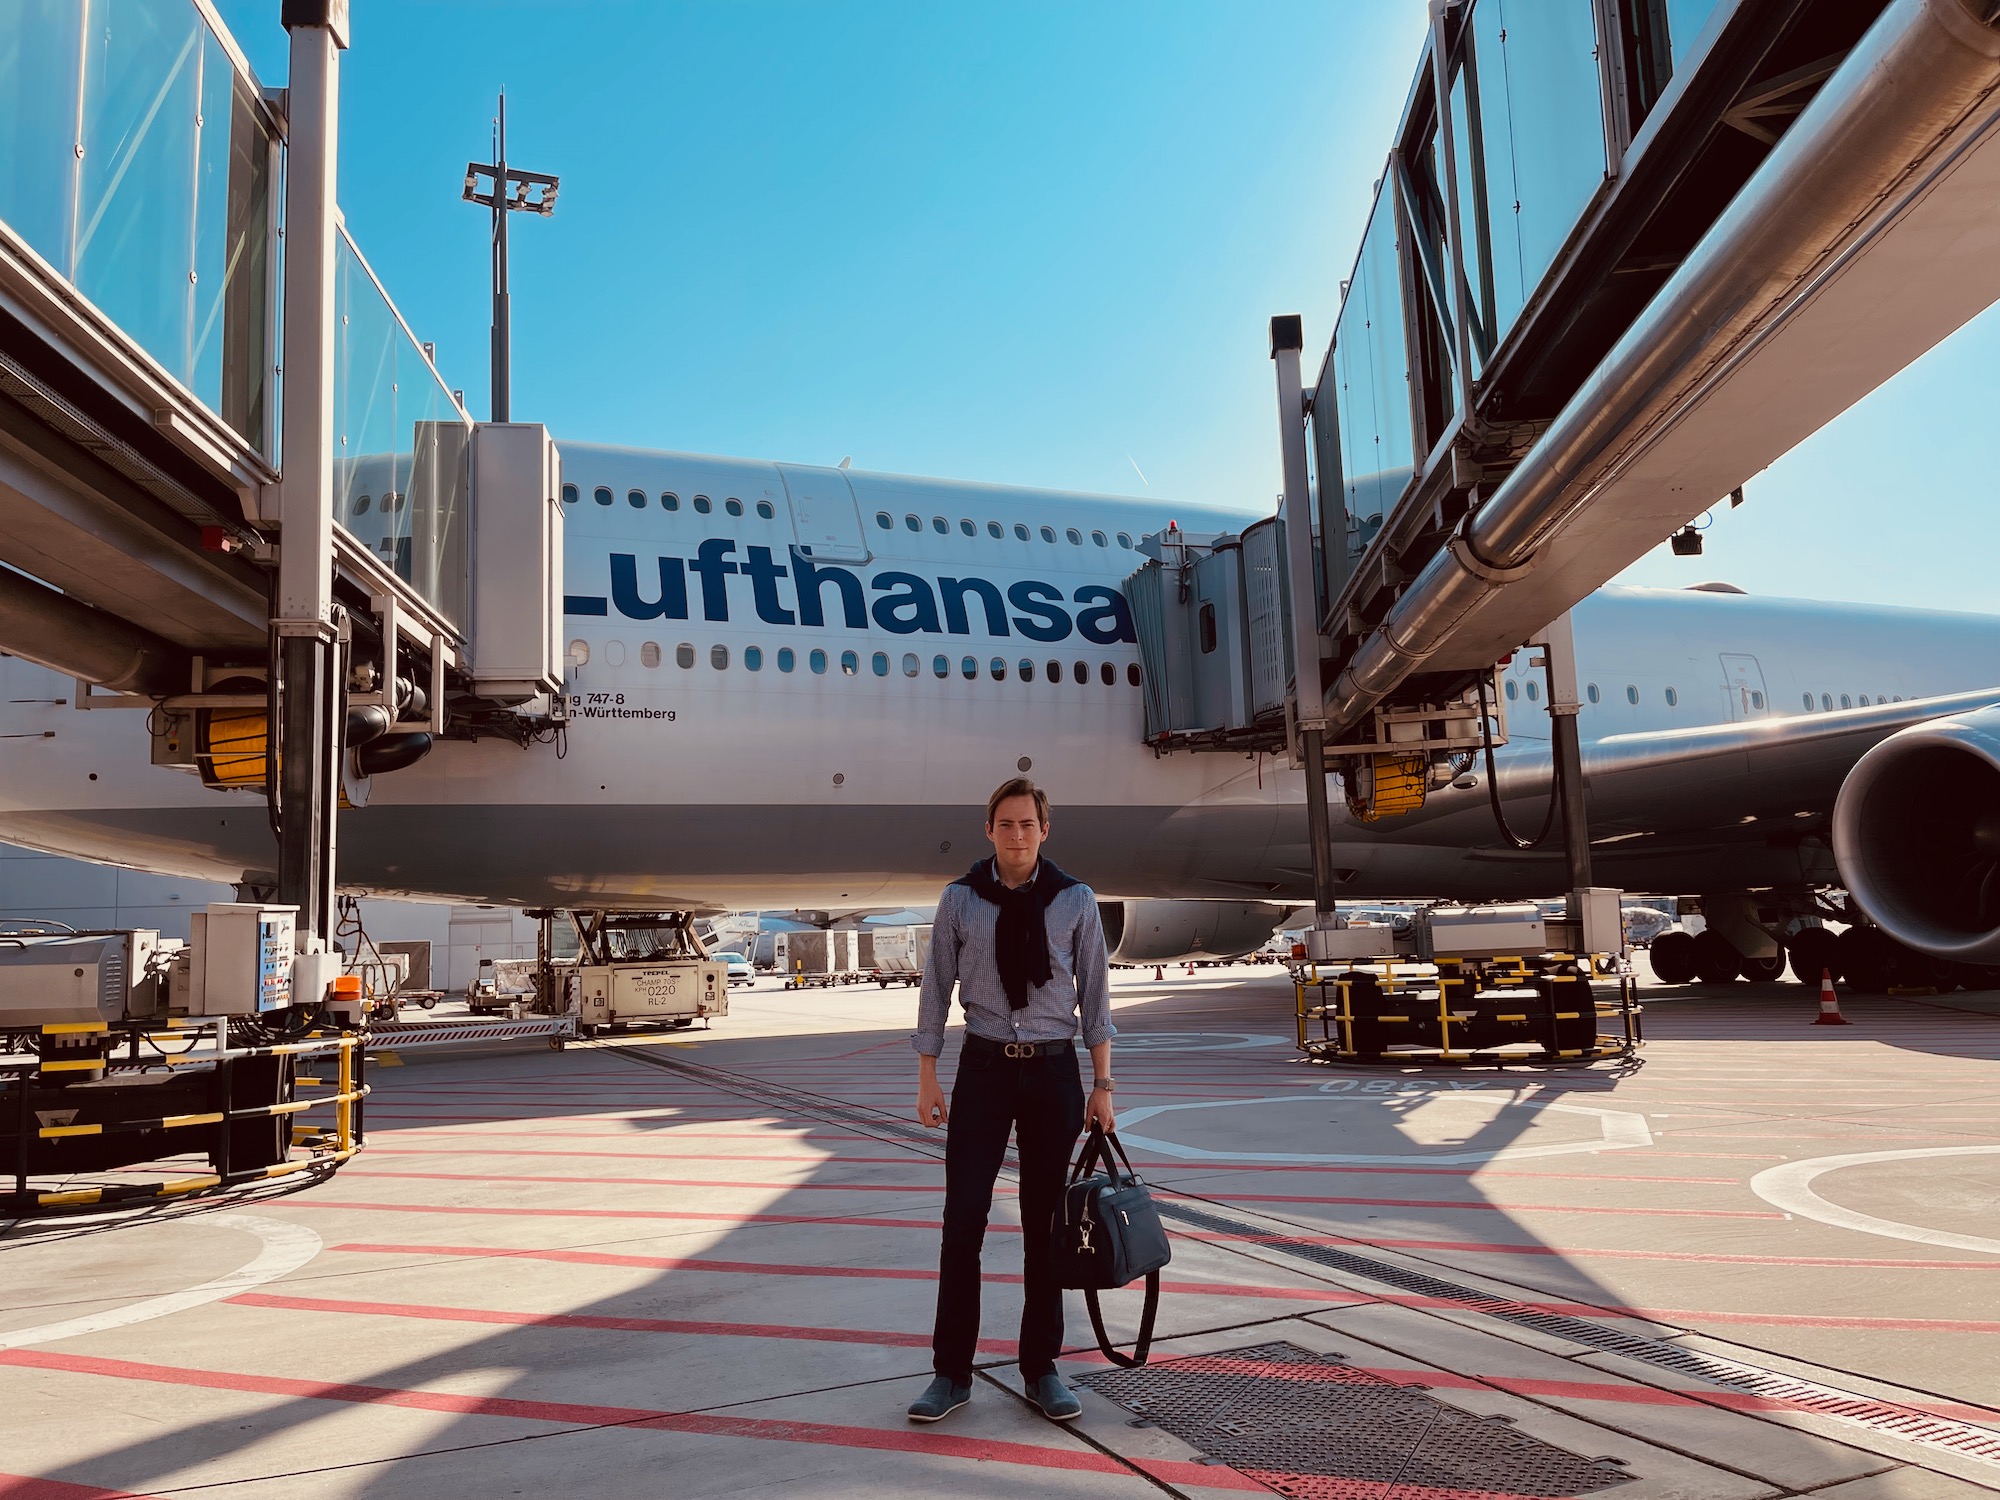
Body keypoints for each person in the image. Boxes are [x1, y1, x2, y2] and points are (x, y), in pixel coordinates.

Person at [905, 777, 1115, 1424]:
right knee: (962, 1219)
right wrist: (927, 1076)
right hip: (985, 1069)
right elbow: (936, 989)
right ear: (988, 830)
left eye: (1028, 824)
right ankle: (950, 1373)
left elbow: (1097, 1000)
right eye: (1005, 824)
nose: (1017, 835)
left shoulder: (1075, 900)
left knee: (1044, 1227)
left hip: (1053, 1075)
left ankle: (1041, 1367)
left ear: (1044, 830)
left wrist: (1103, 1086)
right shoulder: (961, 901)